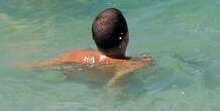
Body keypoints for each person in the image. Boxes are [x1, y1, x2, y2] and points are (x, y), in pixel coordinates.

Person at [25, 8, 153, 75]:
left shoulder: (77, 55)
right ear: (125, 38)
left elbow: (50, 64)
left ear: (92, 37)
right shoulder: (135, 63)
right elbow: (146, 63)